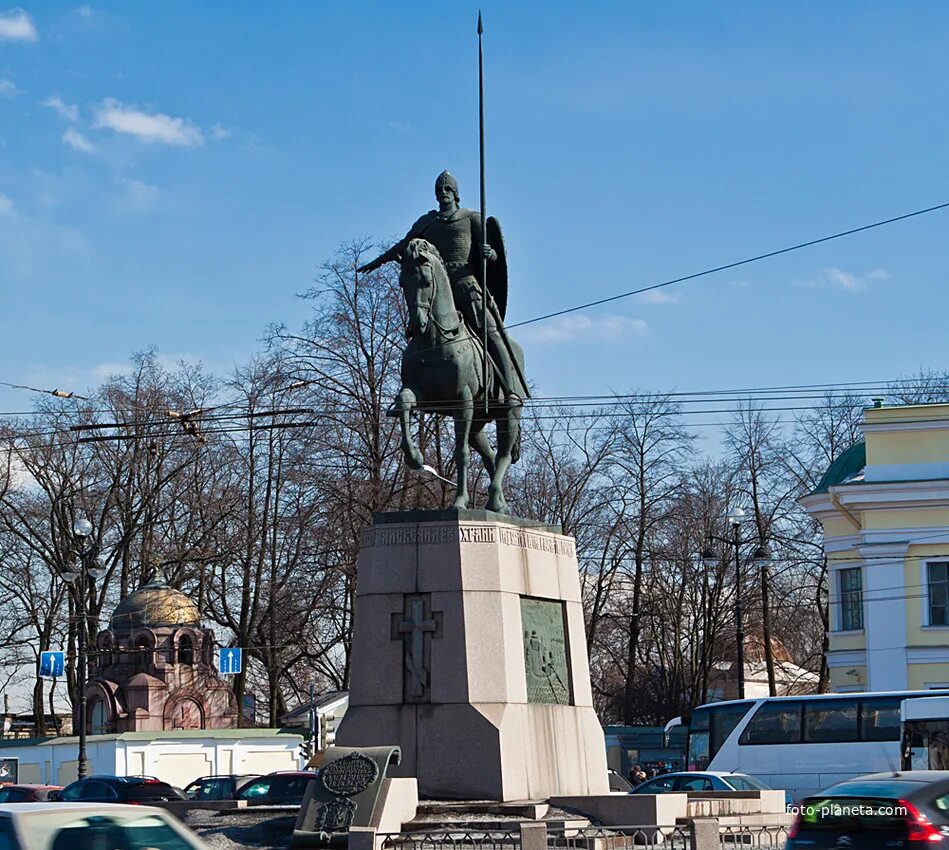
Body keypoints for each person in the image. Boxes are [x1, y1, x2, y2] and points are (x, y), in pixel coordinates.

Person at [357, 170, 522, 405]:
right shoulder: (427, 222)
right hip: (434, 289)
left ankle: (509, 391)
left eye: (447, 189)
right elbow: (403, 246)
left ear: (455, 193)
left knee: (492, 333)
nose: (442, 193)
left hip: (467, 286)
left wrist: (490, 253)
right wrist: (377, 262)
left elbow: (493, 254)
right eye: (439, 190)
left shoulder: (471, 217)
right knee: (418, 330)